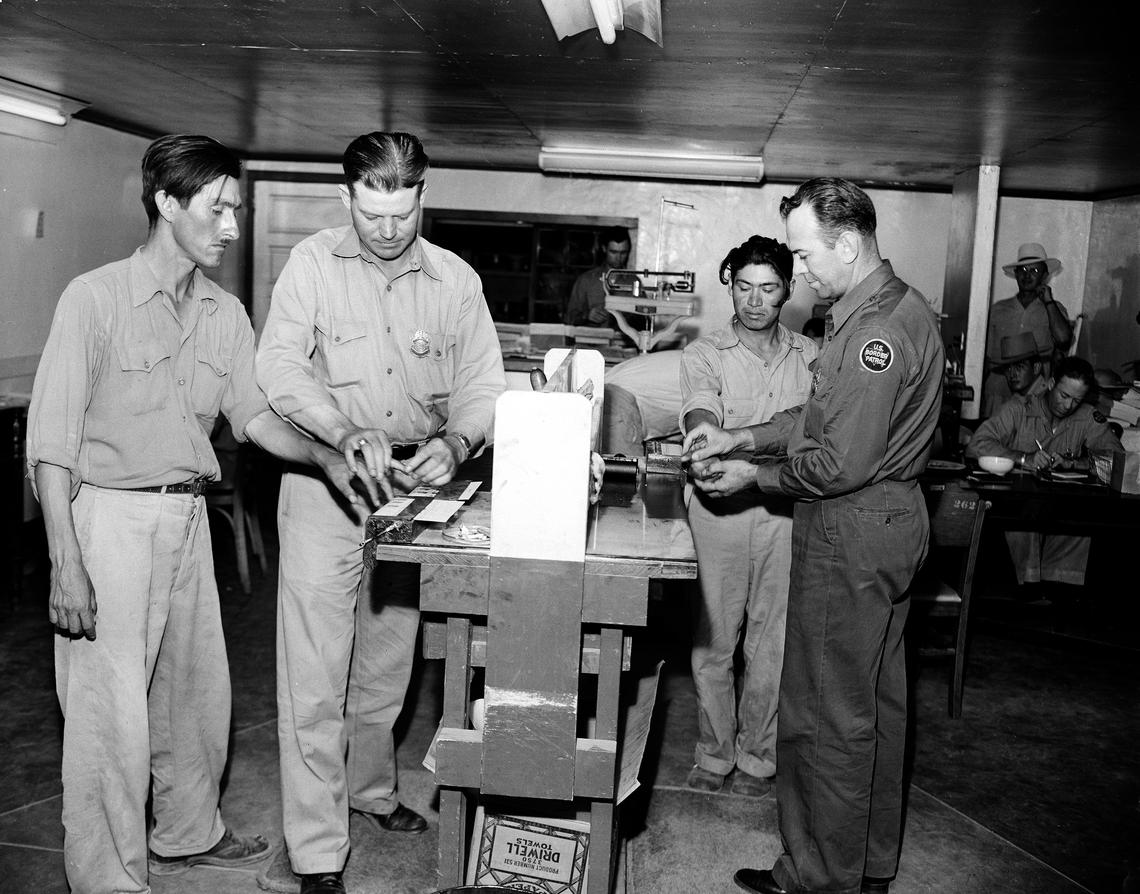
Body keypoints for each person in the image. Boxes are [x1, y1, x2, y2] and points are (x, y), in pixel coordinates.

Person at [26, 134, 372, 894]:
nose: (232, 228)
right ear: (167, 203)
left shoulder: (224, 312)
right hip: (107, 522)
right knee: (107, 720)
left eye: (236, 211)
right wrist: (65, 562)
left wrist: (323, 454)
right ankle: (109, 879)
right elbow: (51, 445)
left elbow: (253, 417)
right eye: (218, 210)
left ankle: (186, 837)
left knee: (194, 701)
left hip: (185, 522)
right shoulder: (95, 298)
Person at [255, 131, 506, 894]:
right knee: (315, 673)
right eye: (372, 216)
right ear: (347, 199)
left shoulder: (455, 280)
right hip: (326, 482)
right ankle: (318, 851)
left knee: (389, 663)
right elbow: (278, 365)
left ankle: (370, 793)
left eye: (403, 214)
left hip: (414, 487)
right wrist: (337, 431)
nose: (389, 232)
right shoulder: (310, 266)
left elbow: (484, 383)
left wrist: (459, 439)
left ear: (422, 196)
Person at [684, 178, 943, 894]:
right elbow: (815, 417)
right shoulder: (889, 308)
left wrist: (752, 478)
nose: (798, 275)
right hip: (887, 523)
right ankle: (867, 864)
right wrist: (746, 434)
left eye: (803, 256)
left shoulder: (875, 334)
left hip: (850, 527)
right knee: (877, 709)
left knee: (826, 713)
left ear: (849, 244)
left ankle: (818, 877)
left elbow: (835, 461)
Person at [680, 236, 816, 799]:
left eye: (768, 288)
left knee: (773, 640)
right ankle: (715, 753)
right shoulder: (704, 353)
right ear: (728, 283)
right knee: (715, 638)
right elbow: (700, 411)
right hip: (721, 512)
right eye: (743, 287)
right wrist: (707, 432)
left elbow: (818, 434)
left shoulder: (813, 357)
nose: (754, 301)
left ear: (788, 289)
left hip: (785, 512)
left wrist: (751, 451)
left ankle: (759, 756)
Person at [966, 356, 1122, 600]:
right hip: (1019, 501)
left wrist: (1075, 463)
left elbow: (1118, 460)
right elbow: (977, 445)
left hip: (1060, 501)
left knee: (1080, 522)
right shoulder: (1019, 408)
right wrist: (1024, 458)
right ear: (1050, 383)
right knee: (1025, 518)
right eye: (1064, 395)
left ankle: (1059, 590)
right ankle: (1027, 589)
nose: (1069, 405)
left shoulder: (1087, 416)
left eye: (1076, 399)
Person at [984, 242, 1072, 413]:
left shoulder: (1054, 309)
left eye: (1034, 271)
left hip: (1036, 388)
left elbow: (1064, 341)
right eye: (1023, 270)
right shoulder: (997, 309)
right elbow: (985, 357)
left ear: (1045, 275)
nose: (1027, 276)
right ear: (1016, 274)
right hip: (998, 388)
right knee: (993, 434)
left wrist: (1048, 301)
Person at [601, 349, 683, 455]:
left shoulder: (699, 356)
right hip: (619, 406)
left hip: (615, 400)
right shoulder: (704, 368)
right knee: (626, 469)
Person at [563, 225, 632, 326]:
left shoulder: (634, 282)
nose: (619, 258)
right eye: (613, 252)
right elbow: (569, 318)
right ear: (604, 249)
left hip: (622, 340)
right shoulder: (586, 280)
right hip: (590, 339)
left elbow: (644, 320)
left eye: (623, 253)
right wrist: (586, 316)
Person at [981, 331, 1049, 416]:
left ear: (1036, 368)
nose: (1012, 374)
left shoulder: (1044, 400)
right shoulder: (1020, 398)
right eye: (1008, 368)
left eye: (1019, 367)